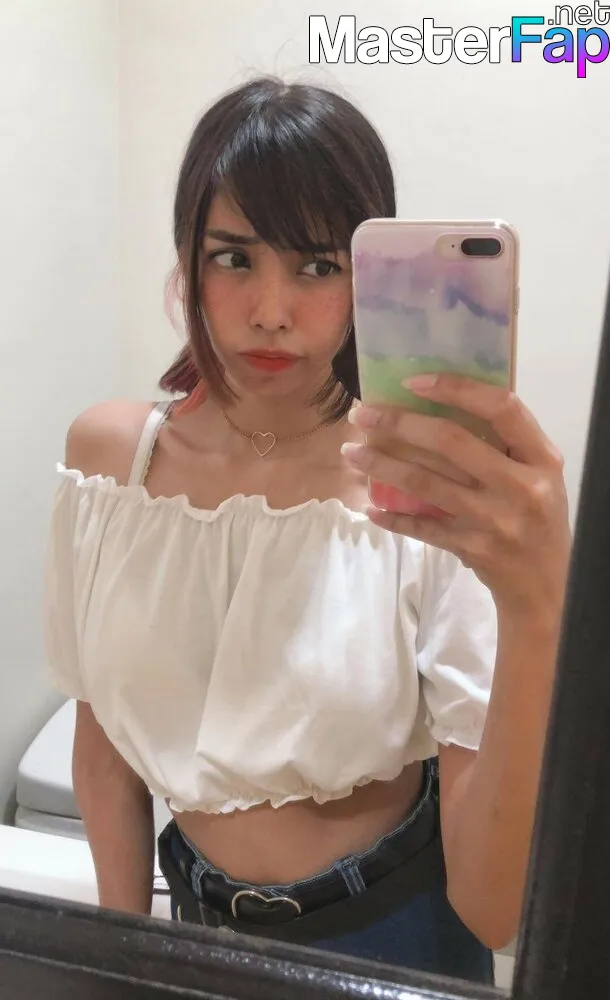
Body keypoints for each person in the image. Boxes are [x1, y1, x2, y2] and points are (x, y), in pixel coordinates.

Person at [44, 77, 571, 984]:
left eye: (318, 266)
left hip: (391, 936)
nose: (271, 310)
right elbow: (104, 755)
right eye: (234, 258)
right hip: (188, 930)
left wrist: (540, 612)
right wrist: (120, 964)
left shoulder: (424, 491)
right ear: (187, 261)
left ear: (368, 278)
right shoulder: (111, 466)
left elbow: (493, 908)